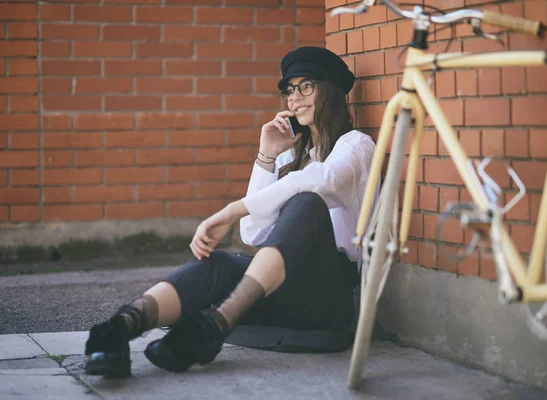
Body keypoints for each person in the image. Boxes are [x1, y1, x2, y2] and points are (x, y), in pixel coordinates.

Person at [83, 46, 377, 377]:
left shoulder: (356, 148)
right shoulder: (290, 158)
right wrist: (266, 156)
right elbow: (254, 234)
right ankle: (118, 329)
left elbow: (317, 182)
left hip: (324, 301)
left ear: (331, 90)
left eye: (306, 86)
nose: (294, 98)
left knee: (307, 201)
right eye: (289, 90)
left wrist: (231, 211)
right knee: (218, 265)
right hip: (278, 289)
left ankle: (212, 327)